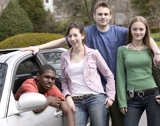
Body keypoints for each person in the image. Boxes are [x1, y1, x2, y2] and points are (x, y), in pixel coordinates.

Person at [20, 1, 160, 126]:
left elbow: (144, 36)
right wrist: (39, 47)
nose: (103, 17)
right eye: (100, 14)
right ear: (94, 15)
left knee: (120, 122)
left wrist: (157, 52)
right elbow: (64, 40)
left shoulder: (120, 32)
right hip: (96, 90)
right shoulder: (87, 32)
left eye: (106, 14)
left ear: (110, 16)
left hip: (117, 88)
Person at [61, 21, 115, 126]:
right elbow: (64, 81)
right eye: (69, 36)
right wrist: (67, 96)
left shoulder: (93, 53)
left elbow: (109, 75)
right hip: (75, 101)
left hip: (95, 99)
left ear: (82, 35)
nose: (72, 39)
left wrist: (110, 96)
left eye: (75, 35)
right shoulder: (64, 56)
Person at [116, 16, 160, 126]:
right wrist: (122, 102)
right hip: (132, 98)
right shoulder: (122, 50)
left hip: (153, 96)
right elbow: (120, 77)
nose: (138, 32)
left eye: (141, 29)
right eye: (134, 29)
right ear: (130, 30)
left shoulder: (151, 50)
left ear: (146, 31)